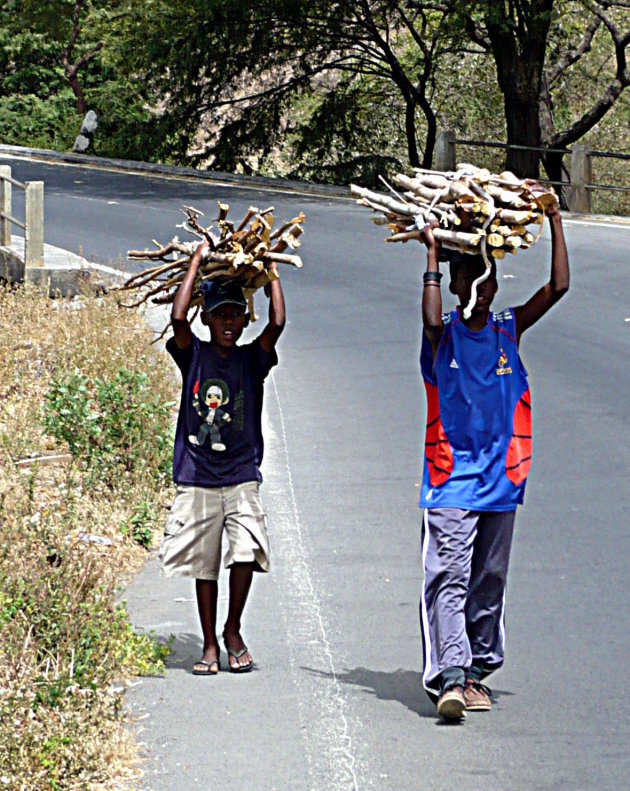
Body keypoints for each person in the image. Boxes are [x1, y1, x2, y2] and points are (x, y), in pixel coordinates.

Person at [418, 201, 569, 720]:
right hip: (450, 480)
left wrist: (553, 218)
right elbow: (431, 316)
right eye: (470, 280)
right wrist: (433, 255)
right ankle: (451, 678)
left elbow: (558, 288)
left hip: (502, 482)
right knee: (449, 575)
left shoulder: (509, 328)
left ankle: (477, 671)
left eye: (488, 281)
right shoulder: (443, 335)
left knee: (489, 579)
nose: (481, 290)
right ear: (456, 287)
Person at [158, 240, 285, 675]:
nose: (229, 323)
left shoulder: (253, 360)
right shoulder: (193, 354)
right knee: (204, 561)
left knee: (246, 550)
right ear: (207, 317)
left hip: (241, 473)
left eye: (236, 315)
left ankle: (233, 628)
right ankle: (209, 643)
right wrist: (195, 262)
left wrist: (272, 273)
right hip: (197, 474)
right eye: (221, 315)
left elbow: (278, 322)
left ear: (245, 318)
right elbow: (176, 318)